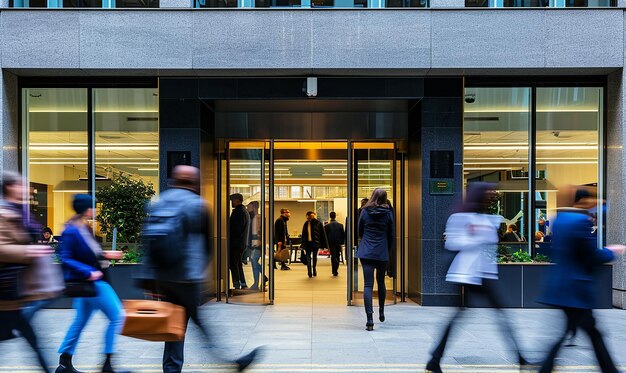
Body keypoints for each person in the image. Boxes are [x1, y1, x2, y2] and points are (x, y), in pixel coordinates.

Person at [138, 165, 260, 373]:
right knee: (198, 323)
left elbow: (148, 240)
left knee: (175, 325)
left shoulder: (160, 203)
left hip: (162, 277)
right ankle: (231, 362)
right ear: (193, 183)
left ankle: (172, 367)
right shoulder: (197, 205)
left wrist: (148, 278)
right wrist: (202, 278)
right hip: (186, 277)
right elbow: (206, 247)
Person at [426, 182, 530, 373]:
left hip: (484, 273)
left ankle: (435, 359)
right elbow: (453, 243)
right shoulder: (460, 217)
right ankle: (434, 359)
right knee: (484, 315)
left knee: (496, 315)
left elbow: (490, 245)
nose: (491, 196)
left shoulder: (487, 218)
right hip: (467, 273)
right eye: (488, 193)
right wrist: (475, 237)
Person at [536, 187, 625, 373]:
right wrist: (611, 251)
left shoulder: (559, 219)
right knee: (590, 333)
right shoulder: (581, 222)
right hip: (575, 289)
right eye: (593, 199)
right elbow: (591, 256)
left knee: (583, 332)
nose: (595, 204)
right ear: (583, 201)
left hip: (561, 285)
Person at [55, 193, 129, 373]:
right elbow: (65, 257)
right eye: (93, 206)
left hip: (89, 283)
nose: (95, 209)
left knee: (79, 322)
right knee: (117, 316)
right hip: (93, 282)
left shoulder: (84, 227)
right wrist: (88, 271)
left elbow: (90, 254)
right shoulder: (72, 230)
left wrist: (107, 255)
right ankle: (107, 365)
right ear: (86, 208)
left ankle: (64, 363)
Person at [0, 171, 62, 373]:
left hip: (18, 292)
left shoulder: (21, 212)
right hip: (7, 291)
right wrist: (28, 251)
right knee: (26, 337)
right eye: (21, 185)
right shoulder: (4, 213)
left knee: (33, 339)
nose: (26, 189)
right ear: (10, 188)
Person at [355, 189, 394, 331]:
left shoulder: (364, 212)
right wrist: (388, 249)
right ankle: (381, 310)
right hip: (381, 251)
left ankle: (369, 319)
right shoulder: (388, 212)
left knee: (368, 285)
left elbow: (359, 231)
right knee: (381, 282)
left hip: (366, 251)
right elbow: (391, 234)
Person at [229, 193, 249, 290]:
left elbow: (236, 229)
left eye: (232, 200)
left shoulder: (238, 212)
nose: (231, 203)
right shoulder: (243, 211)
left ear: (237, 200)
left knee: (234, 263)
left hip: (236, 243)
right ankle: (243, 283)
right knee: (238, 264)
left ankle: (237, 284)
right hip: (240, 242)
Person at [301, 211, 328, 278]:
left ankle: (314, 269)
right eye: (308, 217)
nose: (310, 218)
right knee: (308, 258)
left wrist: (325, 245)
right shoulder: (306, 224)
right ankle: (309, 271)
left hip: (315, 243)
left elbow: (323, 234)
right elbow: (303, 234)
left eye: (311, 217)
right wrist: (302, 244)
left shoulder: (318, 223)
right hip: (307, 243)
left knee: (314, 257)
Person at [247, 201, 266, 290]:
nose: (247, 209)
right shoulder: (254, 217)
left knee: (254, 261)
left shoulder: (258, 217)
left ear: (254, 207)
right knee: (254, 263)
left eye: (249, 207)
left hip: (256, 243)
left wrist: (258, 241)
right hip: (254, 242)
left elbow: (259, 231)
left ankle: (263, 277)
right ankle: (256, 283)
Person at [324, 211, 344, 277]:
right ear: (335, 216)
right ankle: (336, 269)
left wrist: (325, 245)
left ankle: (334, 270)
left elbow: (325, 236)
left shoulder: (327, 226)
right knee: (338, 255)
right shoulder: (340, 225)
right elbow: (343, 235)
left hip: (331, 243)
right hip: (338, 242)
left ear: (330, 216)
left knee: (333, 256)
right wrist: (342, 242)